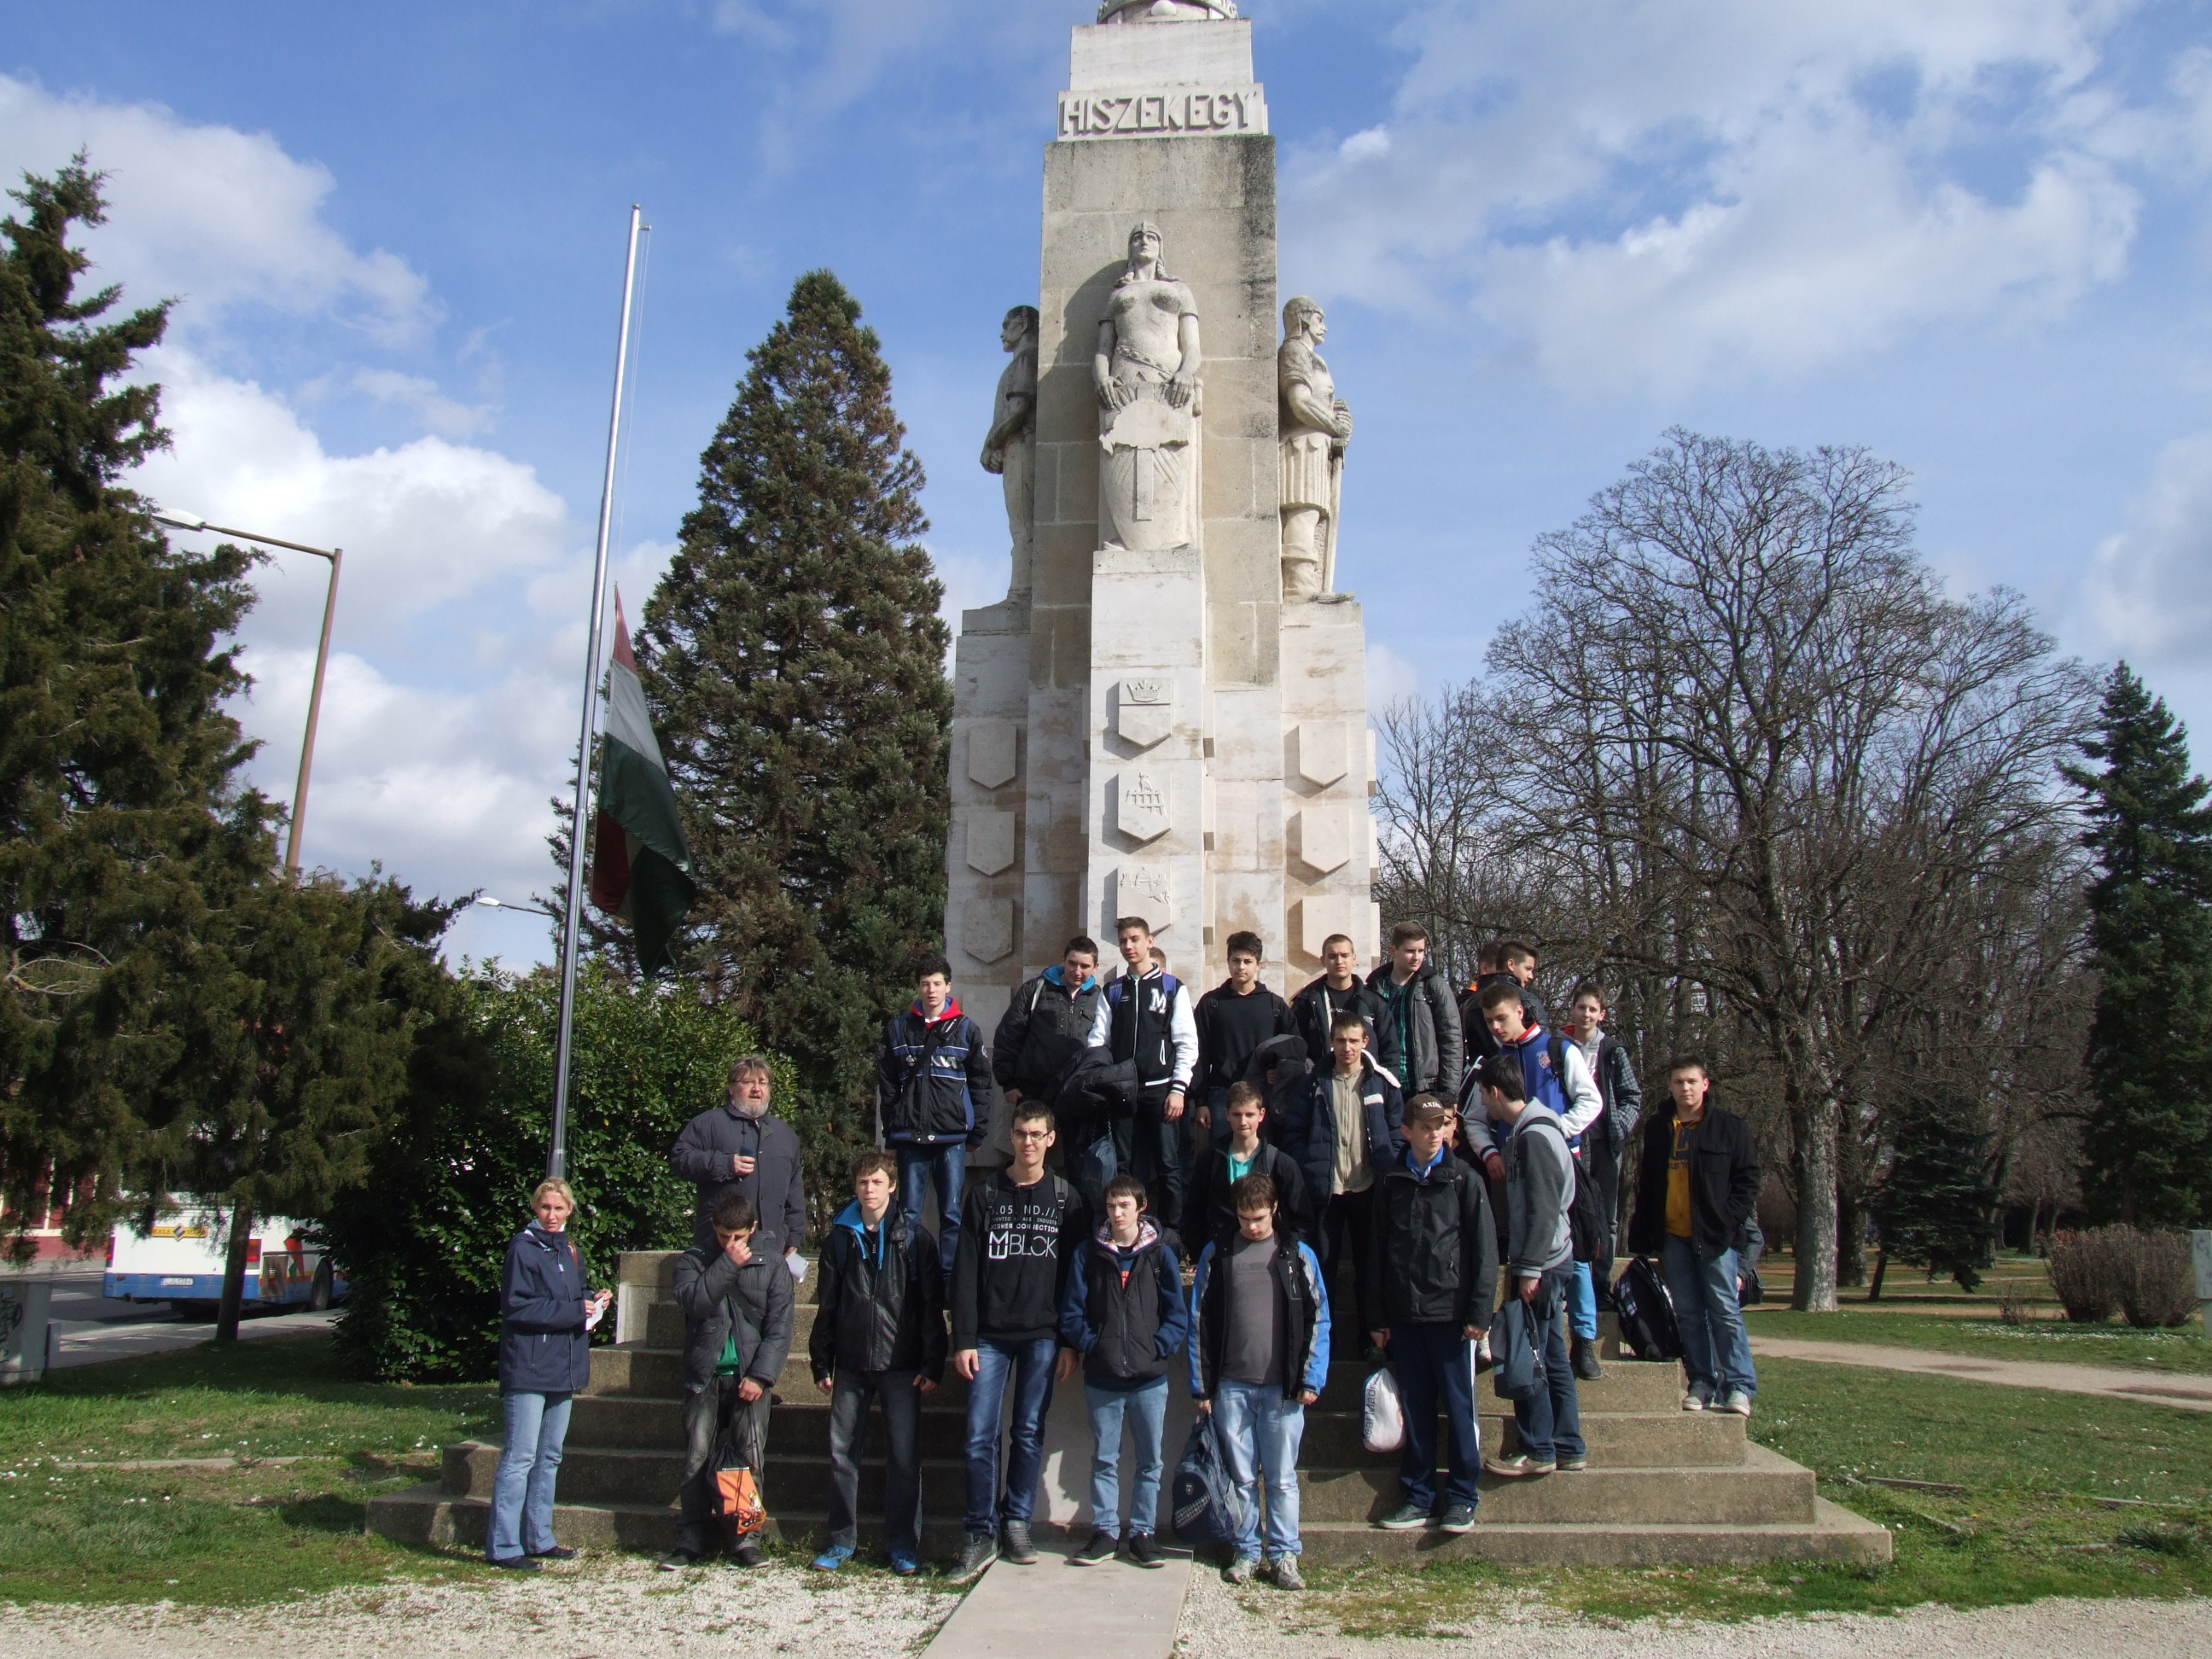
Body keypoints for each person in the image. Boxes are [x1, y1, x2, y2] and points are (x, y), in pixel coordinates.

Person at [949, 1102, 1090, 1583]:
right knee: (978, 1435)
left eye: (1036, 1134)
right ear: (1010, 1138)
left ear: (1051, 1139)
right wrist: (963, 1338)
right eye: (1020, 1133)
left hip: (1042, 1336)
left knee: (1028, 1432)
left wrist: (1069, 1341)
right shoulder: (984, 1195)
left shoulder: (1067, 1199)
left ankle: (1016, 1523)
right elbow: (965, 1270)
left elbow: (1076, 1278)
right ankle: (979, 1531)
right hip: (988, 1335)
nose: (1027, 1142)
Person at [1188, 1173, 1330, 1590]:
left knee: (1282, 1478)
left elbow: (1319, 1318)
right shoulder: (1218, 1253)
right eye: (1244, 1218)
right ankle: (1247, 1550)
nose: (1252, 1226)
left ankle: (1285, 1554)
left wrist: (1311, 1378)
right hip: (1231, 1386)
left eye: (1259, 1218)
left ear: (1275, 1210)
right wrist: (1202, 1384)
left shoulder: (1297, 1254)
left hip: (1283, 1389)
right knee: (1242, 1477)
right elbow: (1198, 1320)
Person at [808, 1150, 946, 1575]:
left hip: (901, 1363)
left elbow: (930, 1305)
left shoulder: (915, 1238)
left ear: (893, 1186)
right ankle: (840, 1541)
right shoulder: (839, 1238)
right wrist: (821, 1360)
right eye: (863, 1182)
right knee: (842, 1455)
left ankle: (903, 1544)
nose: (869, 1189)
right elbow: (828, 1304)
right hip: (851, 1362)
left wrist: (932, 1362)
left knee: (904, 1458)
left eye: (877, 1182)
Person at [1462, 980, 1606, 1379]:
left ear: (1520, 1012)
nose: (1495, 1027)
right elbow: (1473, 1119)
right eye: (1489, 1021)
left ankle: (1584, 1339)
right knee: (1514, 1249)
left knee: (1573, 1254)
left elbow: (1591, 1100)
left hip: (1562, 1168)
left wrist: (1555, 1130)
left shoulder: (1558, 1050)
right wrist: (1490, 1153)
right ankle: (1516, 1335)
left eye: (1501, 1019)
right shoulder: (1493, 1063)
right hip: (1511, 1174)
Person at [1367, 1096, 1497, 1534]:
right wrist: (1378, 1317)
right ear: (1406, 1132)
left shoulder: (1464, 1179)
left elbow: (1484, 1251)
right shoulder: (1391, 1182)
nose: (1435, 1133)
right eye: (1425, 1126)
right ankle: (1418, 1496)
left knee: (1460, 1410)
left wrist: (1479, 1313)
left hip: (1452, 1317)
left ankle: (1462, 1497)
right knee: (1416, 1409)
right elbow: (1378, 1251)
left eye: (1441, 1124)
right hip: (1405, 1315)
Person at [1061, 1173, 1189, 1567]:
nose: (1117, 1213)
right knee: (1105, 1459)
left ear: (1141, 1208)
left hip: (1150, 1379)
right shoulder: (1089, 1253)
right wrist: (1094, 1345)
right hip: (1103, 1377)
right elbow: (1072, 1312)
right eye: (1112, 1206)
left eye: (1125, 1206)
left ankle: (1143, 1534)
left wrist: (1158, 1347)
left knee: (1150, 1461)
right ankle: (1105, 1533)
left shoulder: (1160, 1254)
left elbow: (1177, 1315)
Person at [1471, 1053, 1586, 1480]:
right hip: (1548, 1259)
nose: (1484, 1104)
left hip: (1544, 1262)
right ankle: (1568, 1444)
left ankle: (1538, 1446)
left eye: (1484, 1096)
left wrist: (1531, 1269)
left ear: (1496, 1092)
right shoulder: (1534, 1127)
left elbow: (1542, 1207)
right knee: (1553, 1355)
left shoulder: (1534, 1135)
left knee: (1530, 1355)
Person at [663, 1193, 793, 1570]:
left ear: (753, 1229)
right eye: (722, 1236)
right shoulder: (694, 1259)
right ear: (713, 1229)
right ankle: (691, 1537)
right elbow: (694, 1302)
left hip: (748, 1377)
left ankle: (745, 1538)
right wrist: (727, 1263)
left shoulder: (772, 1263)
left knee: (749, 1461)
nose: (730, 1243)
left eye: (737, 1237)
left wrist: (761, 1376)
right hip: (705, 1375)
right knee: (696, 1459)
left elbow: (780, 1328)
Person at [1626, 1057, 1761, 1415]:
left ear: (1705, 1085)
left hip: (1715, 1239)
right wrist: (1645, 1234)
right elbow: (1648, 1184)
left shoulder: (1730, 1127)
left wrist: (1727, 1220)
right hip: (1673, 1237)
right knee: (1687, 1312)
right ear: (1670, 1086)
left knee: (1725, 1311)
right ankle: (1701, 1381)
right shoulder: (1658, 1127)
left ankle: (1739, 1387)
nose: (1685, 1088)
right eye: (1678, 1082)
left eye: (1691, 1081)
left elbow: (1747, 1181)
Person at [489, 1178, 611, 1569]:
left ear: (570, 1210)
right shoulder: (522, 1248)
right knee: (520, 1456)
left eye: (559, 1208)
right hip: (529, 1366)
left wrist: (592, 1300)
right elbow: (518, 1307)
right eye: (545, 1208)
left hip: (564, 1364)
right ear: (535, 1209)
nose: (552, 1215)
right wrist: (575, 1310)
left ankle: (539, 1537)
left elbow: (572, 1295)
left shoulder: (569, 1249)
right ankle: (504, 1545)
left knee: (549, 1456)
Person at [1276, 1010, 1403, 1359]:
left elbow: (1397, 1134)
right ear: (1331, 1042)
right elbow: (1294, 1132)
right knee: (1324, 1271)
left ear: (1366, 1042)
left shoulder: (1383, 1083)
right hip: (1327, 1192)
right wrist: (1309, 1167)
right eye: (1341, 1041)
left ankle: (1369, 1341)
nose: (1347, 1048)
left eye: (1354, 1041)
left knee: (1369, 1271)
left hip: (1368, 1190)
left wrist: (1388, 1168)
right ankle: (1322, 1347)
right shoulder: (1312, 1083)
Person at [877, 957, 994, 1278]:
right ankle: (907, 1278)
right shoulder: (898, 1029)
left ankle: (948, 1280)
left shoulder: (967, 1029)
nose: (931, 990)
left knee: (952, 1213)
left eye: (937, 984)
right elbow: (888, 1086)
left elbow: (982, 1083)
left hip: (951, 1137)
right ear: (918, 988)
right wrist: (890, 1135)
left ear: (948, 987)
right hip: (910, 1135)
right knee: (909, 1213)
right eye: (925, 984)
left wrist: (978, 1131)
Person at [1086, 917, 1199, 1225]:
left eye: (1135, 939)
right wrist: (1105, 1080)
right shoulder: (1113, 990)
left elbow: (1187, 1043)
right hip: (1123, 1093)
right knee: (1124, 1165)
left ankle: (1173, 1233)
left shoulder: (1172, 987)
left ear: (1150, 942)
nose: (1128, 946)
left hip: (1162, 1091)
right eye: (1123, 940)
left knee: (1168, 1165)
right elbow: (1098, 1041)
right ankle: (1127, 1228)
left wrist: (1178, 1089)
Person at [670, 1057, 808, 1262]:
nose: (757, 1089)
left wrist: (794, 1237)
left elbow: (794, 1191)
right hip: (718, 1250)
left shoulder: (785, 1134)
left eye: (763, 1083)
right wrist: (725, 1164)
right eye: (748, 1082)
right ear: (731, 1088)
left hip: (770, 1251)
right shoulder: (708, 1124)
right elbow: (680, 1159)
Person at [1563, 981, 1642, 1311]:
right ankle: (1569, 1283)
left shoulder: (1612, 1051)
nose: (1586, 1014)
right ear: (1572, 1009)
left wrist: (1618, 1128)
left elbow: (1632, 1097)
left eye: (1592, 1009)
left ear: (1602, 1015)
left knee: (1606, 1219)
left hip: (1605, 1145)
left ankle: (1600, 1284)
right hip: (1571, 1144)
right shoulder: (1560, 1046)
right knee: (1570, 1213)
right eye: (1581, 1007)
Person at [1192, 931, 1298, 1146]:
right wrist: (1201, 1102)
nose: (1241, 967)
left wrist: (1279, 1070)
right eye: (1236, 960)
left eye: (1248, 961)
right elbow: (1199, 1056)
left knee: (1262, 1156)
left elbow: (1294, 1049)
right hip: (1222, 1095)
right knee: (1223, 1156)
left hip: (1262, 1096)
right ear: (1228, 962)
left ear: (1258, 965)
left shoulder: (1274, 1006)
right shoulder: (1211, 1004)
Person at [1183, 1080, 1310, 1249]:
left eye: (1250, 1115)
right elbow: (1195, 1210)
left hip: (1269, 1252)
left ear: (1261, 1114)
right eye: (1237, 1114)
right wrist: (1200, 1252)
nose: (1243, 1122)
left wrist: (1287, 1250)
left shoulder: (1280, 1163)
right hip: (1221, 1251)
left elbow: (1302, 1218)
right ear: (1227, 1114)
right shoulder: (1210, 1158)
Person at [993, 937, 1103, 1110]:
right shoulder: (1035, 989)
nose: (1077, 971)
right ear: (1063, 960)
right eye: (1072, 963)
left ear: (1095, 967)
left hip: (1078, 1091)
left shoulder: (1099, 998)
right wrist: (1008, 1083)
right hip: (1034, 1089)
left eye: (1085, 966)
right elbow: (1008, 1034)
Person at [1365, 922, 1462, 1098]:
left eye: (1421, 951)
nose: (1416, 957)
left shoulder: (1434, 986)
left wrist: (1449, 1092)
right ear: (1393, 951)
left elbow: (1451, 1039)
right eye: (1410, 951)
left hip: (1426, 1087)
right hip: (1385, 1084)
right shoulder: (1374, 987)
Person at [1291, 932, 1387, 1069]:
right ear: (1323, 960)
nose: (1339, 961)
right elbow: (1295, 1046)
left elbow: (1389, 1050)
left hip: (1366, 1078)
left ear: (1354, 958)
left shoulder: (1373, 1001)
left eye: (1345, 955)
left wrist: (1381, 1080)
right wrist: (1311, 1076)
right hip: (1320, 1078)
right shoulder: (1306, 1001)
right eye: (1332, 956)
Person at [1461, 940, 1549, 1062]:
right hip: (1522, 1070)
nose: (1531, 976)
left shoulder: (1468, 1004)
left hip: (1483, 1072)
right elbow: (1543, 1050)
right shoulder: (1527, 1000)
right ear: (1511, 965)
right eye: (1528, 969)